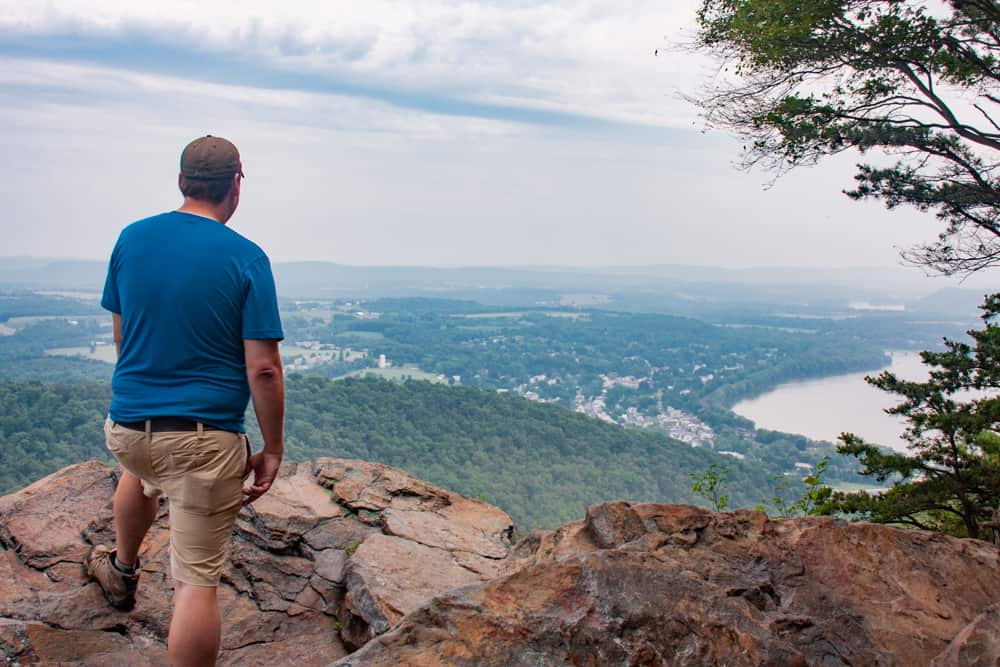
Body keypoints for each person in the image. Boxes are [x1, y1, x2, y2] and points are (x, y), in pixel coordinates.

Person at [87, 135, 285, 667]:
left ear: (181, 182)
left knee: (144, 469)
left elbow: (123, 336)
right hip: (202, 445)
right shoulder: (246, 257)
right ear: (236, 186)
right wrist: (272, 448)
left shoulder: (132, 239)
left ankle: (121, 572)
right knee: (196, 583)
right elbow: (263, 367)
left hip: (129, 430)